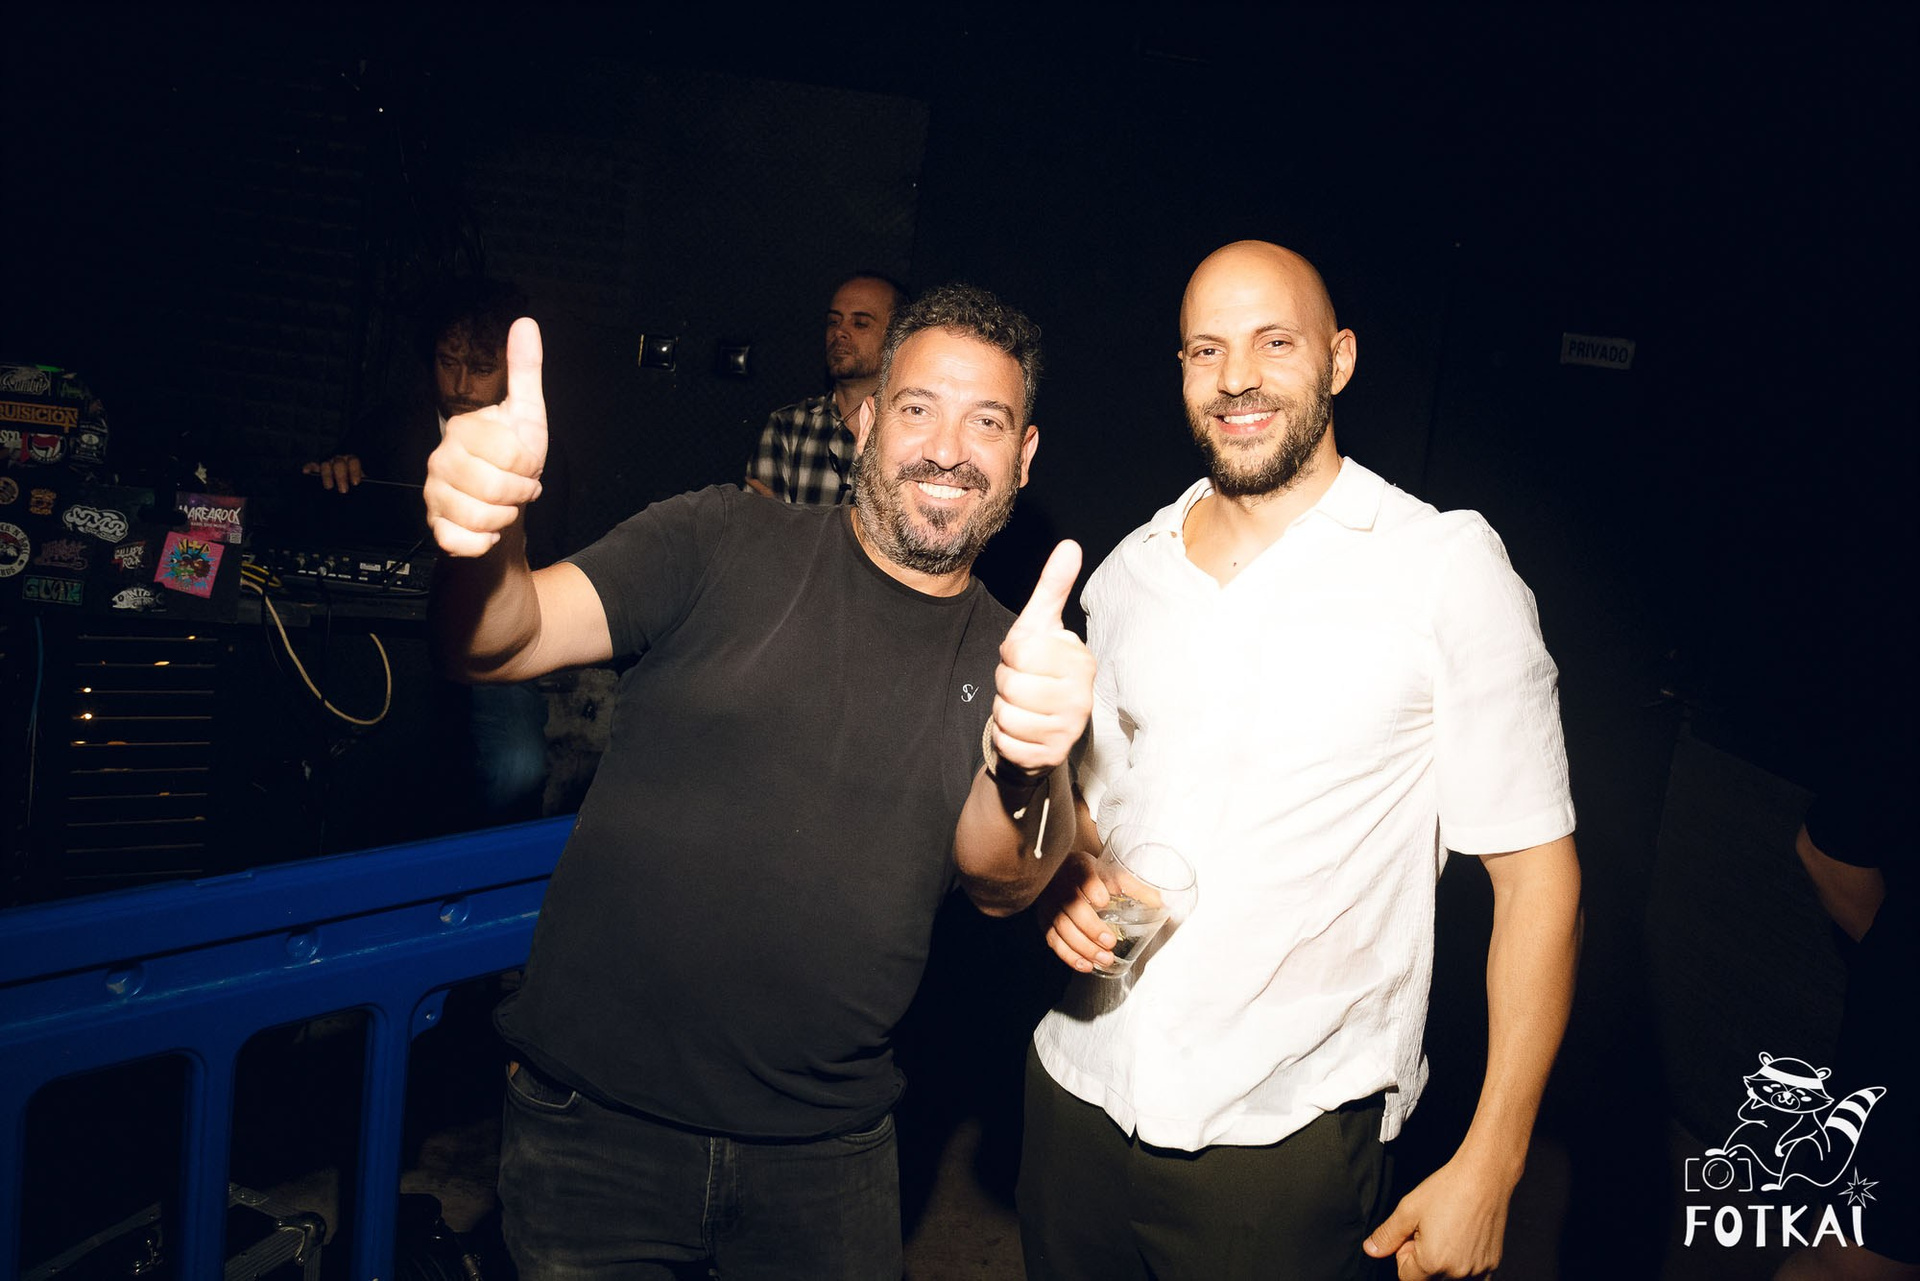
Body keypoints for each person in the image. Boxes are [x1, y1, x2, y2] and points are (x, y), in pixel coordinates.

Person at [425, 282, 1094, 1279]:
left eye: (986, 422)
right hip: (595, 1132)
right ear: (864, 421)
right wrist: (489, 540)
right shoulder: (719, 538)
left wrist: (1033, 761)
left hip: (827, 1158)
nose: (948, 448)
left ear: (1023, 456)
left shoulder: (1019, 656)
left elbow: (1003, 882)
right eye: (918, 408)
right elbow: (499, 641)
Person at [1020, 240, 1583, 1281]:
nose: (1235, 378)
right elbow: (1092, 815)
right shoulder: (1130, 573)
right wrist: (1068, 874)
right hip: (1077, 1090)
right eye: (1206, 349)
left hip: (1284, 1140)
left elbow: (1538, 879)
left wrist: (1494, 1160)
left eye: (1274, 343)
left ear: (1340, 359)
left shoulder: (1442, 568)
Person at [305, 279, 568, 821]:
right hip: (391, 636)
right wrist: (332, 477)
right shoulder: (387, 426)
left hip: (490, 633)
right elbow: (328, 517)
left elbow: (547, 563)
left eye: (482, 368)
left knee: (517, 768)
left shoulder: (541, 449)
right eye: (449, 363)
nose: (463, 384)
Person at [743, 272, 907, 504]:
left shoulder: (913, 429)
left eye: (860, 323)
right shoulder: (788, 426)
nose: (839, 332)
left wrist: (791, 521)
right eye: (833, 321)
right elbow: (758, 524)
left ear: (896, 337)